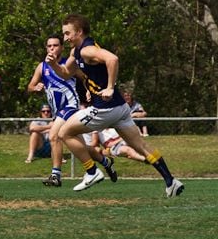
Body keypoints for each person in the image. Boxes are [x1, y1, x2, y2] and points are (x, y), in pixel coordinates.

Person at [48, 14, 183, 197]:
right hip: (120, 109)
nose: (65, 38)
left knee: (64, 132)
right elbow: (65, 74)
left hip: (105, 109)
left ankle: (92, 172)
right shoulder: (76, 52)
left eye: (67, 33)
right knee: (140, 146)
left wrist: (110, 87)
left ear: (78, 32)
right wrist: (55, 65)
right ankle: (171, 181)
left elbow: (113, 59)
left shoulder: (87, 50)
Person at [25, 34, 80, 187]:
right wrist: (35, 87)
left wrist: (90, 90)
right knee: (78, 144)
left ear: (62, 47)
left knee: (54, 136)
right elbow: (30, 86)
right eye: (49, 46)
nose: (52, 48)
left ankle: (56, 174)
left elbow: (84, 77)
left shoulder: (68, 64)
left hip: (70, 106)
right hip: (58, 112)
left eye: (55, 45)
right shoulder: (42, 67)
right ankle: (103, 162)